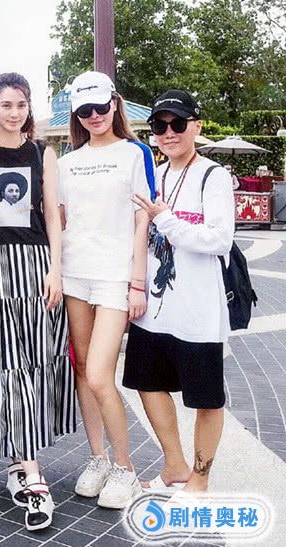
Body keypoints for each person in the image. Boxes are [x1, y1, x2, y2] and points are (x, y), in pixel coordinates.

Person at [0, 73, 72, 531]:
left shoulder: (42, 153)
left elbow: (51, 215)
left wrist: (56, 269)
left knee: (29, 360)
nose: (14, 112)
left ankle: (23, 465)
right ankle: (28, 470)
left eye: (21, 104)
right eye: (5, 104)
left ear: (29, 107)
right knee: (0, 361)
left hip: (34, 262)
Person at [125, 90, 234, 494]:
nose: (168, 132)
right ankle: (174, 464)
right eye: (160, 125)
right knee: (146, 382)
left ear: (196, 126)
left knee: (206, 399)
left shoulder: (212, 176)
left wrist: (166, 219)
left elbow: (220, 239)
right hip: (155, 308)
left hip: (198, 311)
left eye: (178, 123)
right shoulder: (155, 175)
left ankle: (200, 479)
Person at [58, 71, 153, 509]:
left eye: (100, 106)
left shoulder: (135, 154)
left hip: (115, 276)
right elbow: (60, 220)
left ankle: (125, 467)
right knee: (83, 371)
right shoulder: (66, 162)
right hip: (75, 273)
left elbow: (142, 218)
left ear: (114, 103)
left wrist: (138, 282)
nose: (94, 116)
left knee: (99, 374)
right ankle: (97, 457)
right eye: (85, 110)